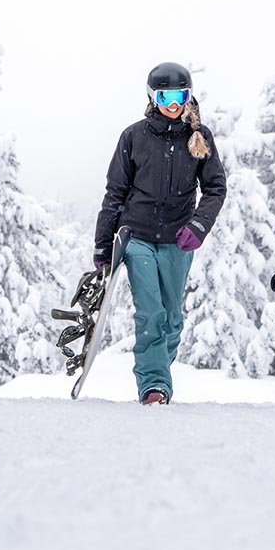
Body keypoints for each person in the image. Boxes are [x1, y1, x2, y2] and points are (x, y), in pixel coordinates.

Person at [94, 62, 227, 404]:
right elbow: (115, 193)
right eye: (166, 95)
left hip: (178, 240)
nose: (173, 103)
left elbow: (215, 188)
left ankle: (158, 372)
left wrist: (198, 226)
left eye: (181, 95)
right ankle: (154, 385)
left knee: (172, 317)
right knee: (150, 311)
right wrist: (103, 245)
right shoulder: (134, 136)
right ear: (153, 96)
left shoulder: (200, 137)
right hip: (137, 237)